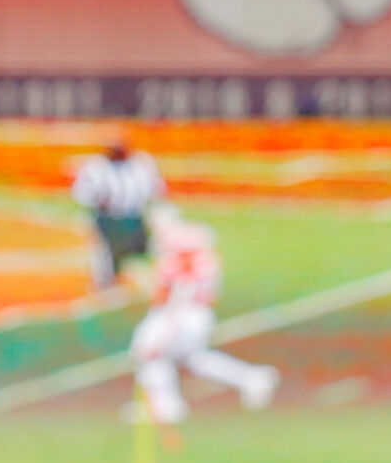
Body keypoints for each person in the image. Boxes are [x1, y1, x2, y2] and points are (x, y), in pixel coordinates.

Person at [125, 205, 278, 425]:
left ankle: (166, 406)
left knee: (150, 352)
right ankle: (252, 378)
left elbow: (169, 289)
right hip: (200, 311)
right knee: (195, 358)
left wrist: (142, 282)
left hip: (178, 312)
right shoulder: (202, 250)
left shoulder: (172, 251)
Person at [71, 136, 165, 289]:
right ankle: (106, 282)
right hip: (108, 217)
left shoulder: (140, 165)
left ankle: (159, 280)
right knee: (106, 253)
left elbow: (154, 190)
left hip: (133, 216)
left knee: (145, 249)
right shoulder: (96, 168)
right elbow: (82, 194)